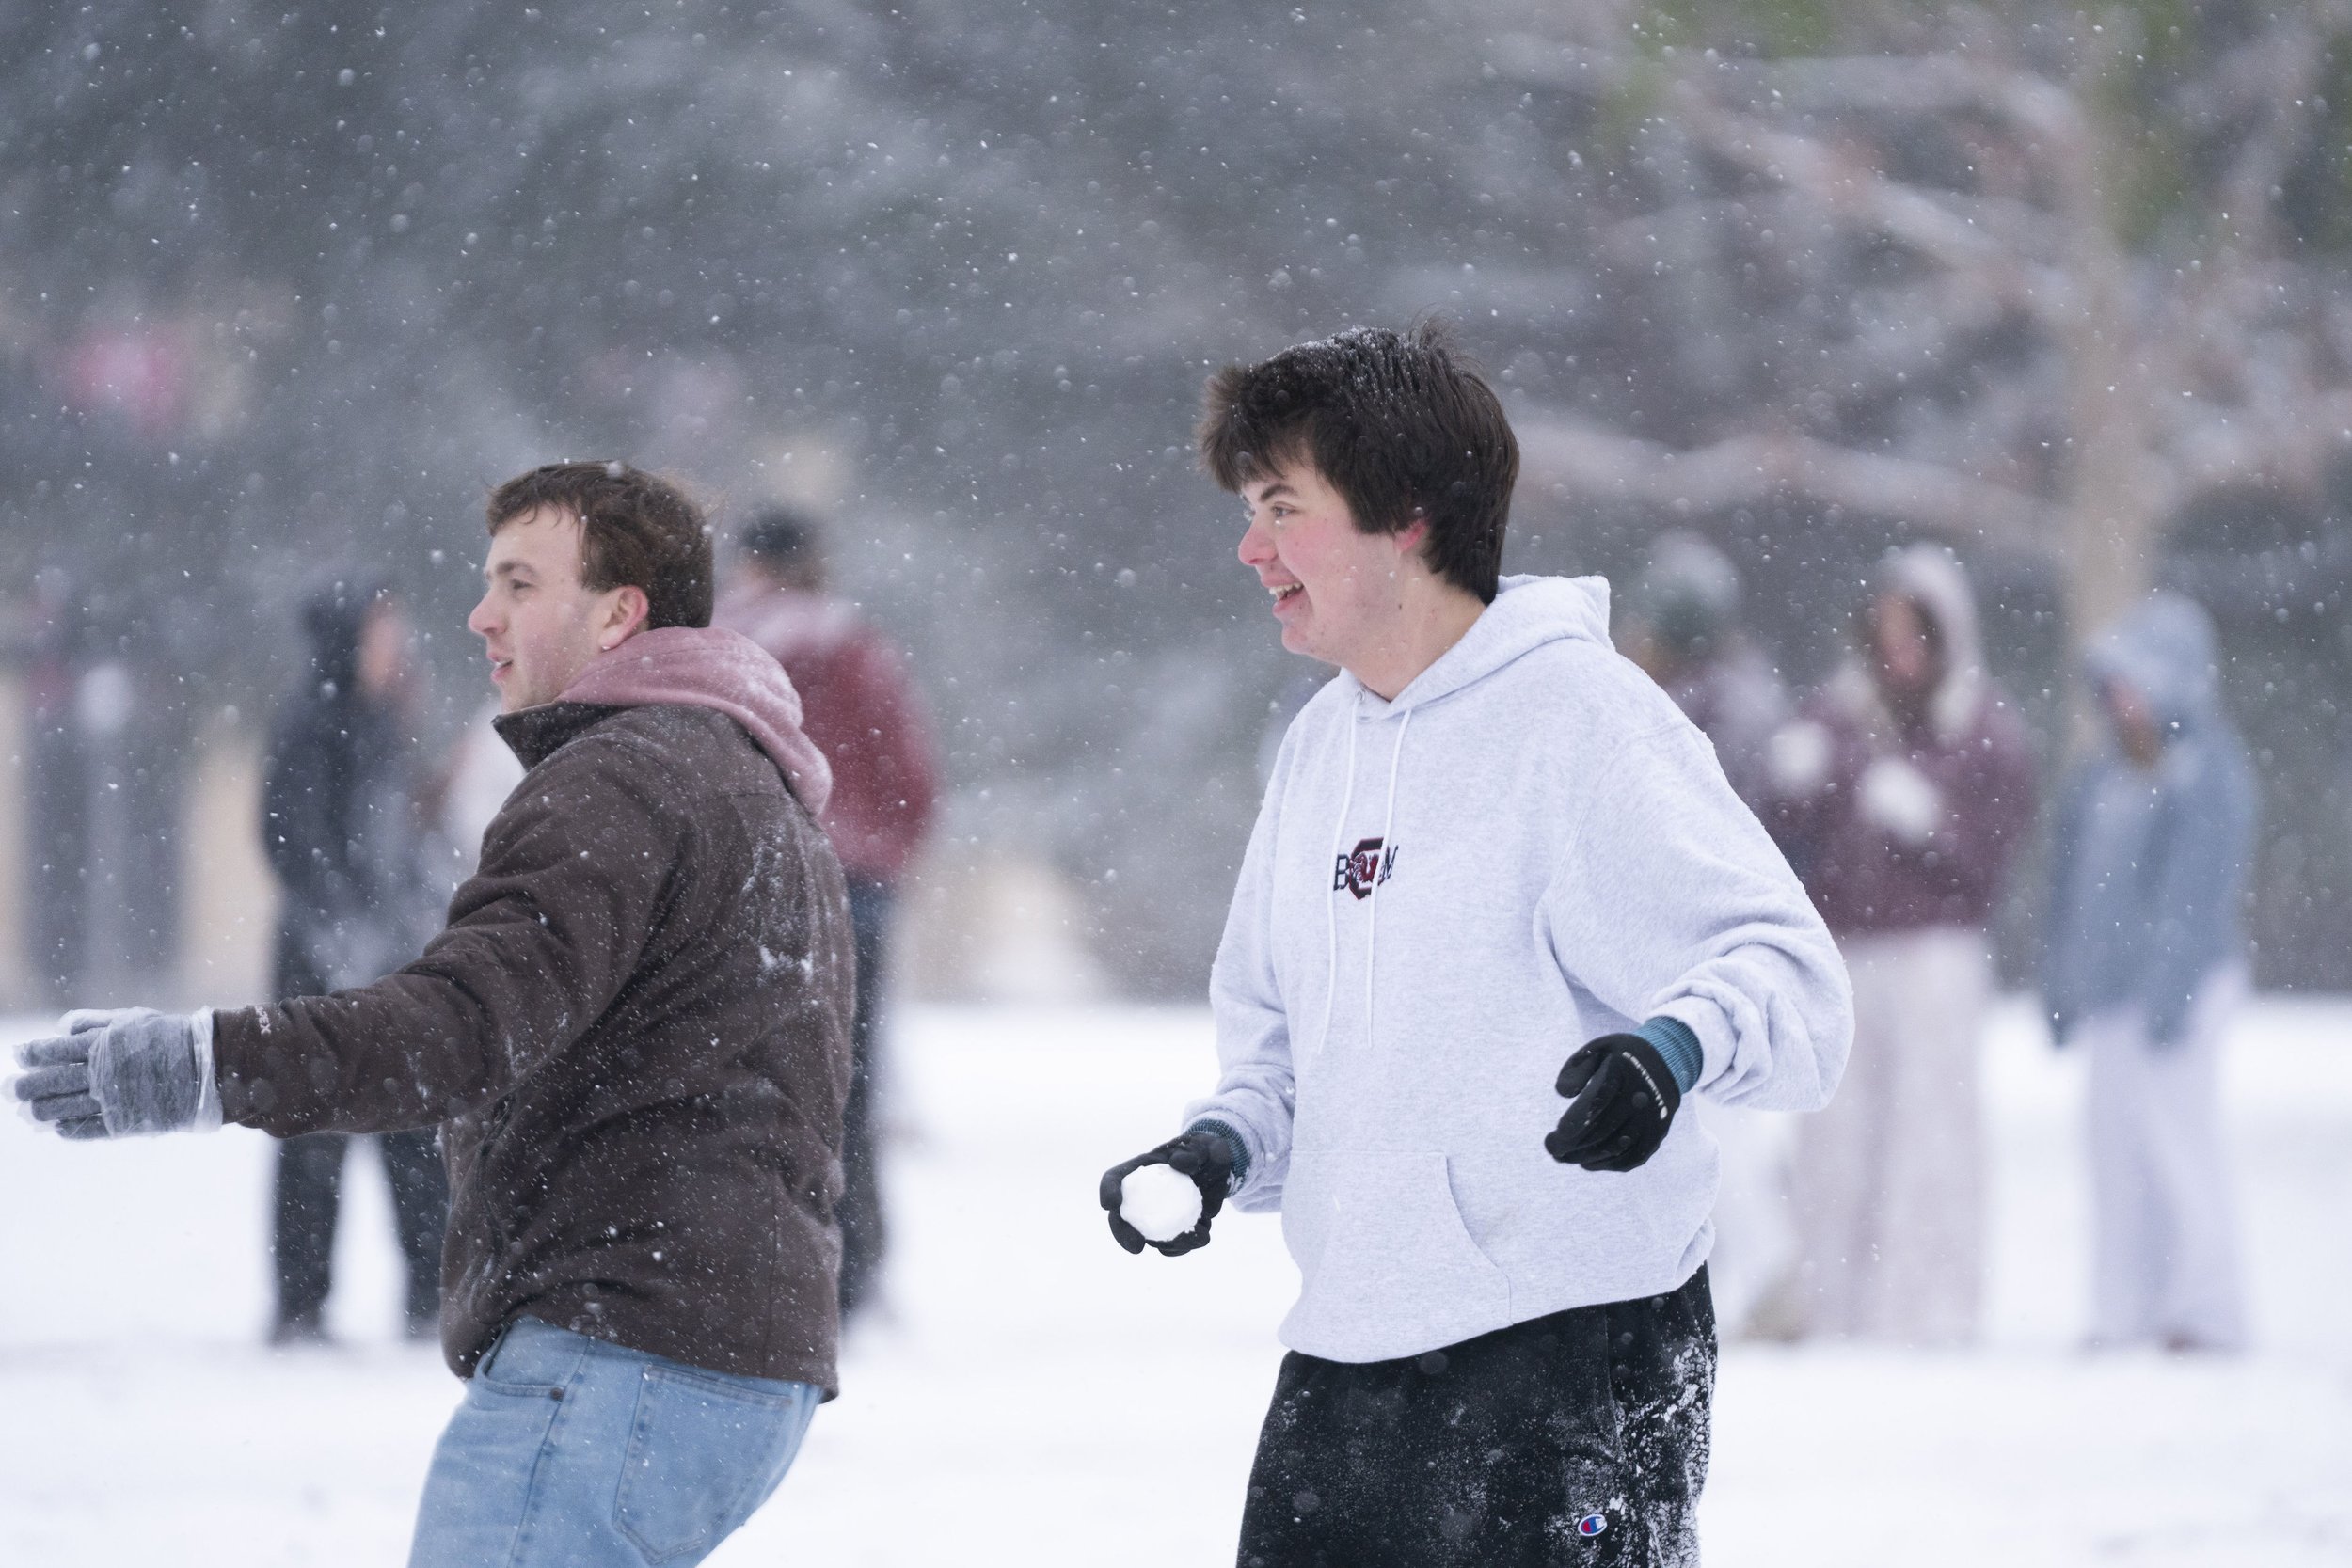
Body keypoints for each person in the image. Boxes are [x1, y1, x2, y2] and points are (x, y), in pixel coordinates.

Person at [1097, 325, 1851, 1564]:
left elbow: (1792, 979)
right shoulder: (1319, 751)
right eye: (1248, 510)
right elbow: (1281, 1045)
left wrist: (1666, 1051)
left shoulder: (1584, 720)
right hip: (1349, 1349)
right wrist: (1223, 1142)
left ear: (1404, 512)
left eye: (1282, 507)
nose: (1250, 547)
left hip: (1570, 1351)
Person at [13, 462, 854, 1568]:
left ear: (619, 610)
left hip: (624, 1355)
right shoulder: (744, 773)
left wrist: (205, 1061)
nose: (479, 614)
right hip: (726, 1350)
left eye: (517, 582)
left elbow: (458, 1028)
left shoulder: (620, 782)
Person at [1761, 545, 2038, 1346]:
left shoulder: (1984, 729)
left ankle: (1927, 1314)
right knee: (1834, 1138)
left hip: (1935, 958)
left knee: (1932, 1136)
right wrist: (1790, 782)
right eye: (1884, 632)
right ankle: (1833, 1307)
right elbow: (1778, 832)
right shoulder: (1840, 718)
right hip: (1847, 950)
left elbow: (1993, 856)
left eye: (1913, 633)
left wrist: (1934, 826)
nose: (1897, 651)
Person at [714, 507, 937, 1320]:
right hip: (852, 883)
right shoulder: (852, 644)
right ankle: (854, 1260)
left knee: (751, 1075)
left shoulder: (725, 643)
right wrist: (886, 848)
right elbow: (909, 769)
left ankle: (763, 1253)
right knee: (851, 1076)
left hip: (750, 883)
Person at [2042, 592, 2256, 1354]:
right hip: (2109, 1000)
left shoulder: (2205, 773)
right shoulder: (2099, 778)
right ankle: (2121, 1310)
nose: (2121, 700)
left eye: (2136, 681)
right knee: (2113, 1155)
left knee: (2178, 1149)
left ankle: (2203, 1309)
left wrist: (2171, 989)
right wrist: (2060, 983)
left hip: (2182, 998)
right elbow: (2067, 888)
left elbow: (2194, 896)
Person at [1617, 531, 1800, 1339]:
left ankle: (1762, 1273)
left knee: (1713, 1123)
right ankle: (1739, 1273)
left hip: (1705, 944)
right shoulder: (1734, 700)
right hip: (1692, 941)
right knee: (1704, 1120)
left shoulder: (1713, 711)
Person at [261, 572, 450, 1345]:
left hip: (394, 956)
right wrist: (344, 930)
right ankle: (302, 1305)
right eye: (381, 629)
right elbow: (290, 838)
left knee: (415, 1130)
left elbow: (401, 839)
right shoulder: (314, 721)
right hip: (324, 960)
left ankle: (431, 1295)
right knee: (313, 1135)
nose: (394, 643)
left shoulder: (385, 718)